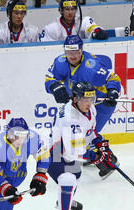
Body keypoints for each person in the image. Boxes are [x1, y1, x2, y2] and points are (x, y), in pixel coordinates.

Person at [45, 35, 121, 179]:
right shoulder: (60, 62)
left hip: (101, 103)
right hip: (79, 103)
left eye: (76, 52)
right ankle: (95, 156)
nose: (72, 56)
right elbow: (49, 78)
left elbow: (113, 78)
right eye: (69, 52)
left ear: (81, 50)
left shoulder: (91, 66)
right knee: (84, 133)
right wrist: (54, 86)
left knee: (87, 134)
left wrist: (112, 91)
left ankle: (108, 162)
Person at [48, 81, 116, 210]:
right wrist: (96, 156)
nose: (89, 103)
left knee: (75, 177)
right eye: (85, 99)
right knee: (68, 180)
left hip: (69, 151)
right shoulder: (70, 118)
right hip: (53, 154)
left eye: (91, 99)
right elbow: (74, 151)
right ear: (75, 99)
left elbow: (90, 131)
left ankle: (65, 202)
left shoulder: (90, 109)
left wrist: (99, 143)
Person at [39, 0, 108, 42]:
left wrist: (97, 32)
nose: (70, 12)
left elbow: (92, 28)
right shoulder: (51, 28)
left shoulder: (83, 21)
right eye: (67, 9)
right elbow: (45, 47)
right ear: (61, 11)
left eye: (72, 9)